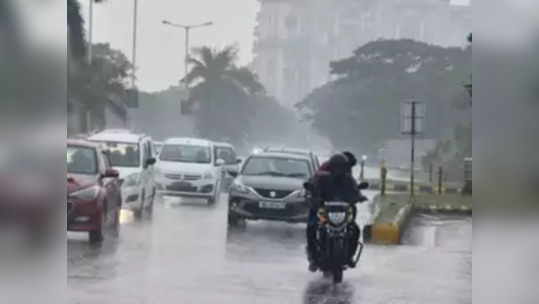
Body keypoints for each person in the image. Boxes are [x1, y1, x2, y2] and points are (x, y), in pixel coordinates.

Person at [306, 153, 364, 272]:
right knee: (312, 226)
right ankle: (313, 256)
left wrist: (359, 196)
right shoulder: (322, 177)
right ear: (331, 167)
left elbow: (355, 191)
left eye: (342, 167)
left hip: (342, 212)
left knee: (355, 229)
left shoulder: (349, 179)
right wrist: (315, 196)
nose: (339, 170)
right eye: (336, 167)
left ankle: (349, 256)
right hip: (324, 211)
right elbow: (314, 187)